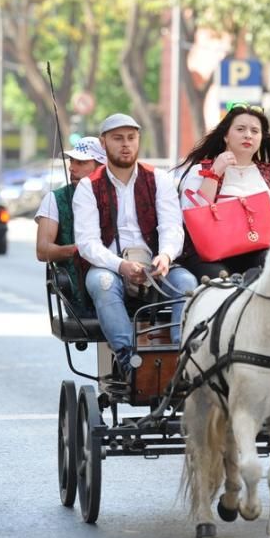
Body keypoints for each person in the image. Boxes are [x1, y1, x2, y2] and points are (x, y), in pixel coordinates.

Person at [72, 114, 197, 376]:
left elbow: (172, 227)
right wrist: (122, 266)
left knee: (187, 284)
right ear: (104, 143)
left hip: (157, 265)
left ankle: (178, 358)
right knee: (101, 284)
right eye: (118, 139)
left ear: (139, 140)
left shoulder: (159, 179)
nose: (125, 144)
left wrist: (165, 256)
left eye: (131, 137)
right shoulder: (88, 186)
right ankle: (130, 362)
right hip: (111, 266)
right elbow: (87, 243)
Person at [175, 102, 270, 281]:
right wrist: (216, 172)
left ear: (261, 138)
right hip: (211, 255)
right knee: (219, 282)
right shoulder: (201, 170)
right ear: (226, 136)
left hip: (258, 249)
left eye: (255, 131)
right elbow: (193, 216)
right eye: (240, 129)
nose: (248, 135)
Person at [35, 136, 107, 317]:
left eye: (81, 162)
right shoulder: (55, 199)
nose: (72, 168)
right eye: (72, 161)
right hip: (79, 295)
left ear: (102, 166)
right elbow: (42, 250)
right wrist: (78, 250)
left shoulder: (121, 195)